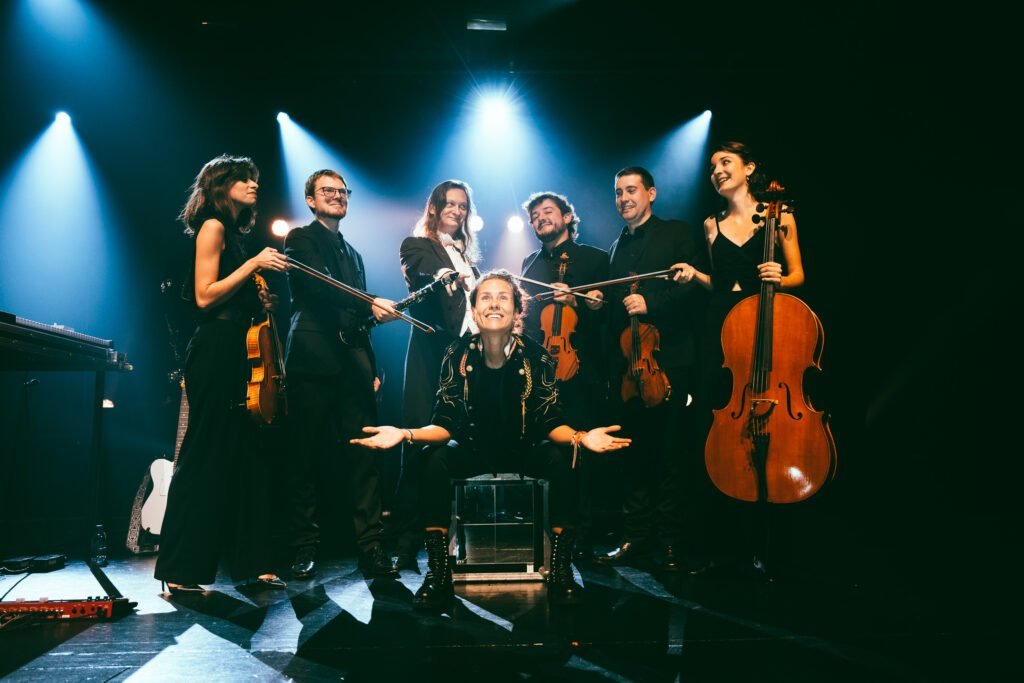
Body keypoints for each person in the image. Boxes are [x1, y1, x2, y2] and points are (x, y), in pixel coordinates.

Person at [351, 272, 631, 609]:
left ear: (517, 311)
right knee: (433, 458)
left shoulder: (537, 356)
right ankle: (438, 573)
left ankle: (560, 569)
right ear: (473, 310)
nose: (494, 304)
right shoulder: (456, 353)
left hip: (525, 450)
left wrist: (581, 438)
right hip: (473, 450)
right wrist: (405, 434)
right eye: (485, 297)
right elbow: (444, 424)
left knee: (562, 456)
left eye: (503, 297)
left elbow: (550, 420)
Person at [154, 154, 288, 594]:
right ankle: (180, 569)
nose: (254, 185)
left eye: (255, 179)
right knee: (205, 451)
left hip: (238, 350)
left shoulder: (235, 235)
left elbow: (231, 293)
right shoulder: (212, 226)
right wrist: (252, 267)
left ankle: (253, 563)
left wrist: (257, 299)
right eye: (244, 179)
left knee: (248, 454)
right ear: (220, 184)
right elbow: (205, 296)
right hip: (215, 350)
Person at [670, 141, 806, 573]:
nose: (717, 170)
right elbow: (720, 283)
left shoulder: (779, 216)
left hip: (765, 321)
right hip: (720, 326)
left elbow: (799, 274)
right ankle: (718, 543)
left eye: (725, 162)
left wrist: (780, 276)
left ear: (749, 168)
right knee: (716, 424)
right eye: (713, 166)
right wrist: (695, 274)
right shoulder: (711, 225)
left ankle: (769, 536)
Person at [584, 166, 705, 573]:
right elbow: (616, 312)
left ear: (651, 193)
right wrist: (600, 305)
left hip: (669, 362)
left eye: (631, 190)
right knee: (633, 456)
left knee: (671, 455)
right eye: (618, 192)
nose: (623, 199)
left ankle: (670, 541)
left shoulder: (676, 233)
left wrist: (652, 303)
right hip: (628, 371)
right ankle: (636, 536)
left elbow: (692, 287)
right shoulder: (616, 248)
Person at [282, 169, 399, 580]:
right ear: (310, 200)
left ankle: (371, 546)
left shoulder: (355, 254)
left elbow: (358, 320)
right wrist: (371, 303)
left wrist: (371, 364)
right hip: (312, 360)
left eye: (342, 191)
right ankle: (303, 546)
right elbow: (321, 288)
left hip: (353, 364)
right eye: (326, 190)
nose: (336, 196)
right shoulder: (299, 239)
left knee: (364, 456)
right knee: (303, 456)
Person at [389, 181, 481, 570]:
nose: (457, 211)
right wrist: (444, 272)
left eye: (462, 206)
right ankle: (406, 544)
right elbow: (422, 272)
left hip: (467, 359)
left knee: (459, 448)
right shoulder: (416, 246)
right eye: (450, 204)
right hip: (430, 358)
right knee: (418, 445)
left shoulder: (471, 259)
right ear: (434, 207)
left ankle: (456, 542)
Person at [519, 191, 609, 558]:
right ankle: (546, 531)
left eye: (548, 212)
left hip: (582, 371)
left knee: (581, 452)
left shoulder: (595, 259)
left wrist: (580, 303)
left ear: (567, 217)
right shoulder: (528, 264)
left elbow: (609, 315)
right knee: (545, 451)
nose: (541, 218)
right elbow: (526, 322)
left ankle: (581, 535)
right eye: (535, 215)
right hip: (540, 372)